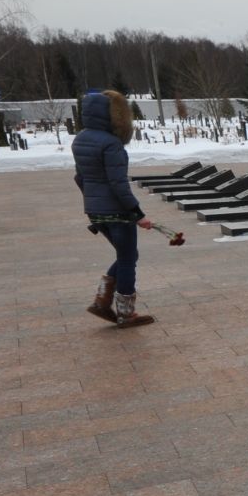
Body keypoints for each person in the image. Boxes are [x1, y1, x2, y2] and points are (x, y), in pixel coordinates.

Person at [73, 89, 155, 327]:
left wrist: (93, 203)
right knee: (128, 258)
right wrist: (137, 213)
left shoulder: (81, 139)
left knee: (127, 254)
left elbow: (80, 178)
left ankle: (102, 299)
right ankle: (125, 312)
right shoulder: (112, 144)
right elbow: (118, 184)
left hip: (95, 210)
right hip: (118, 211)